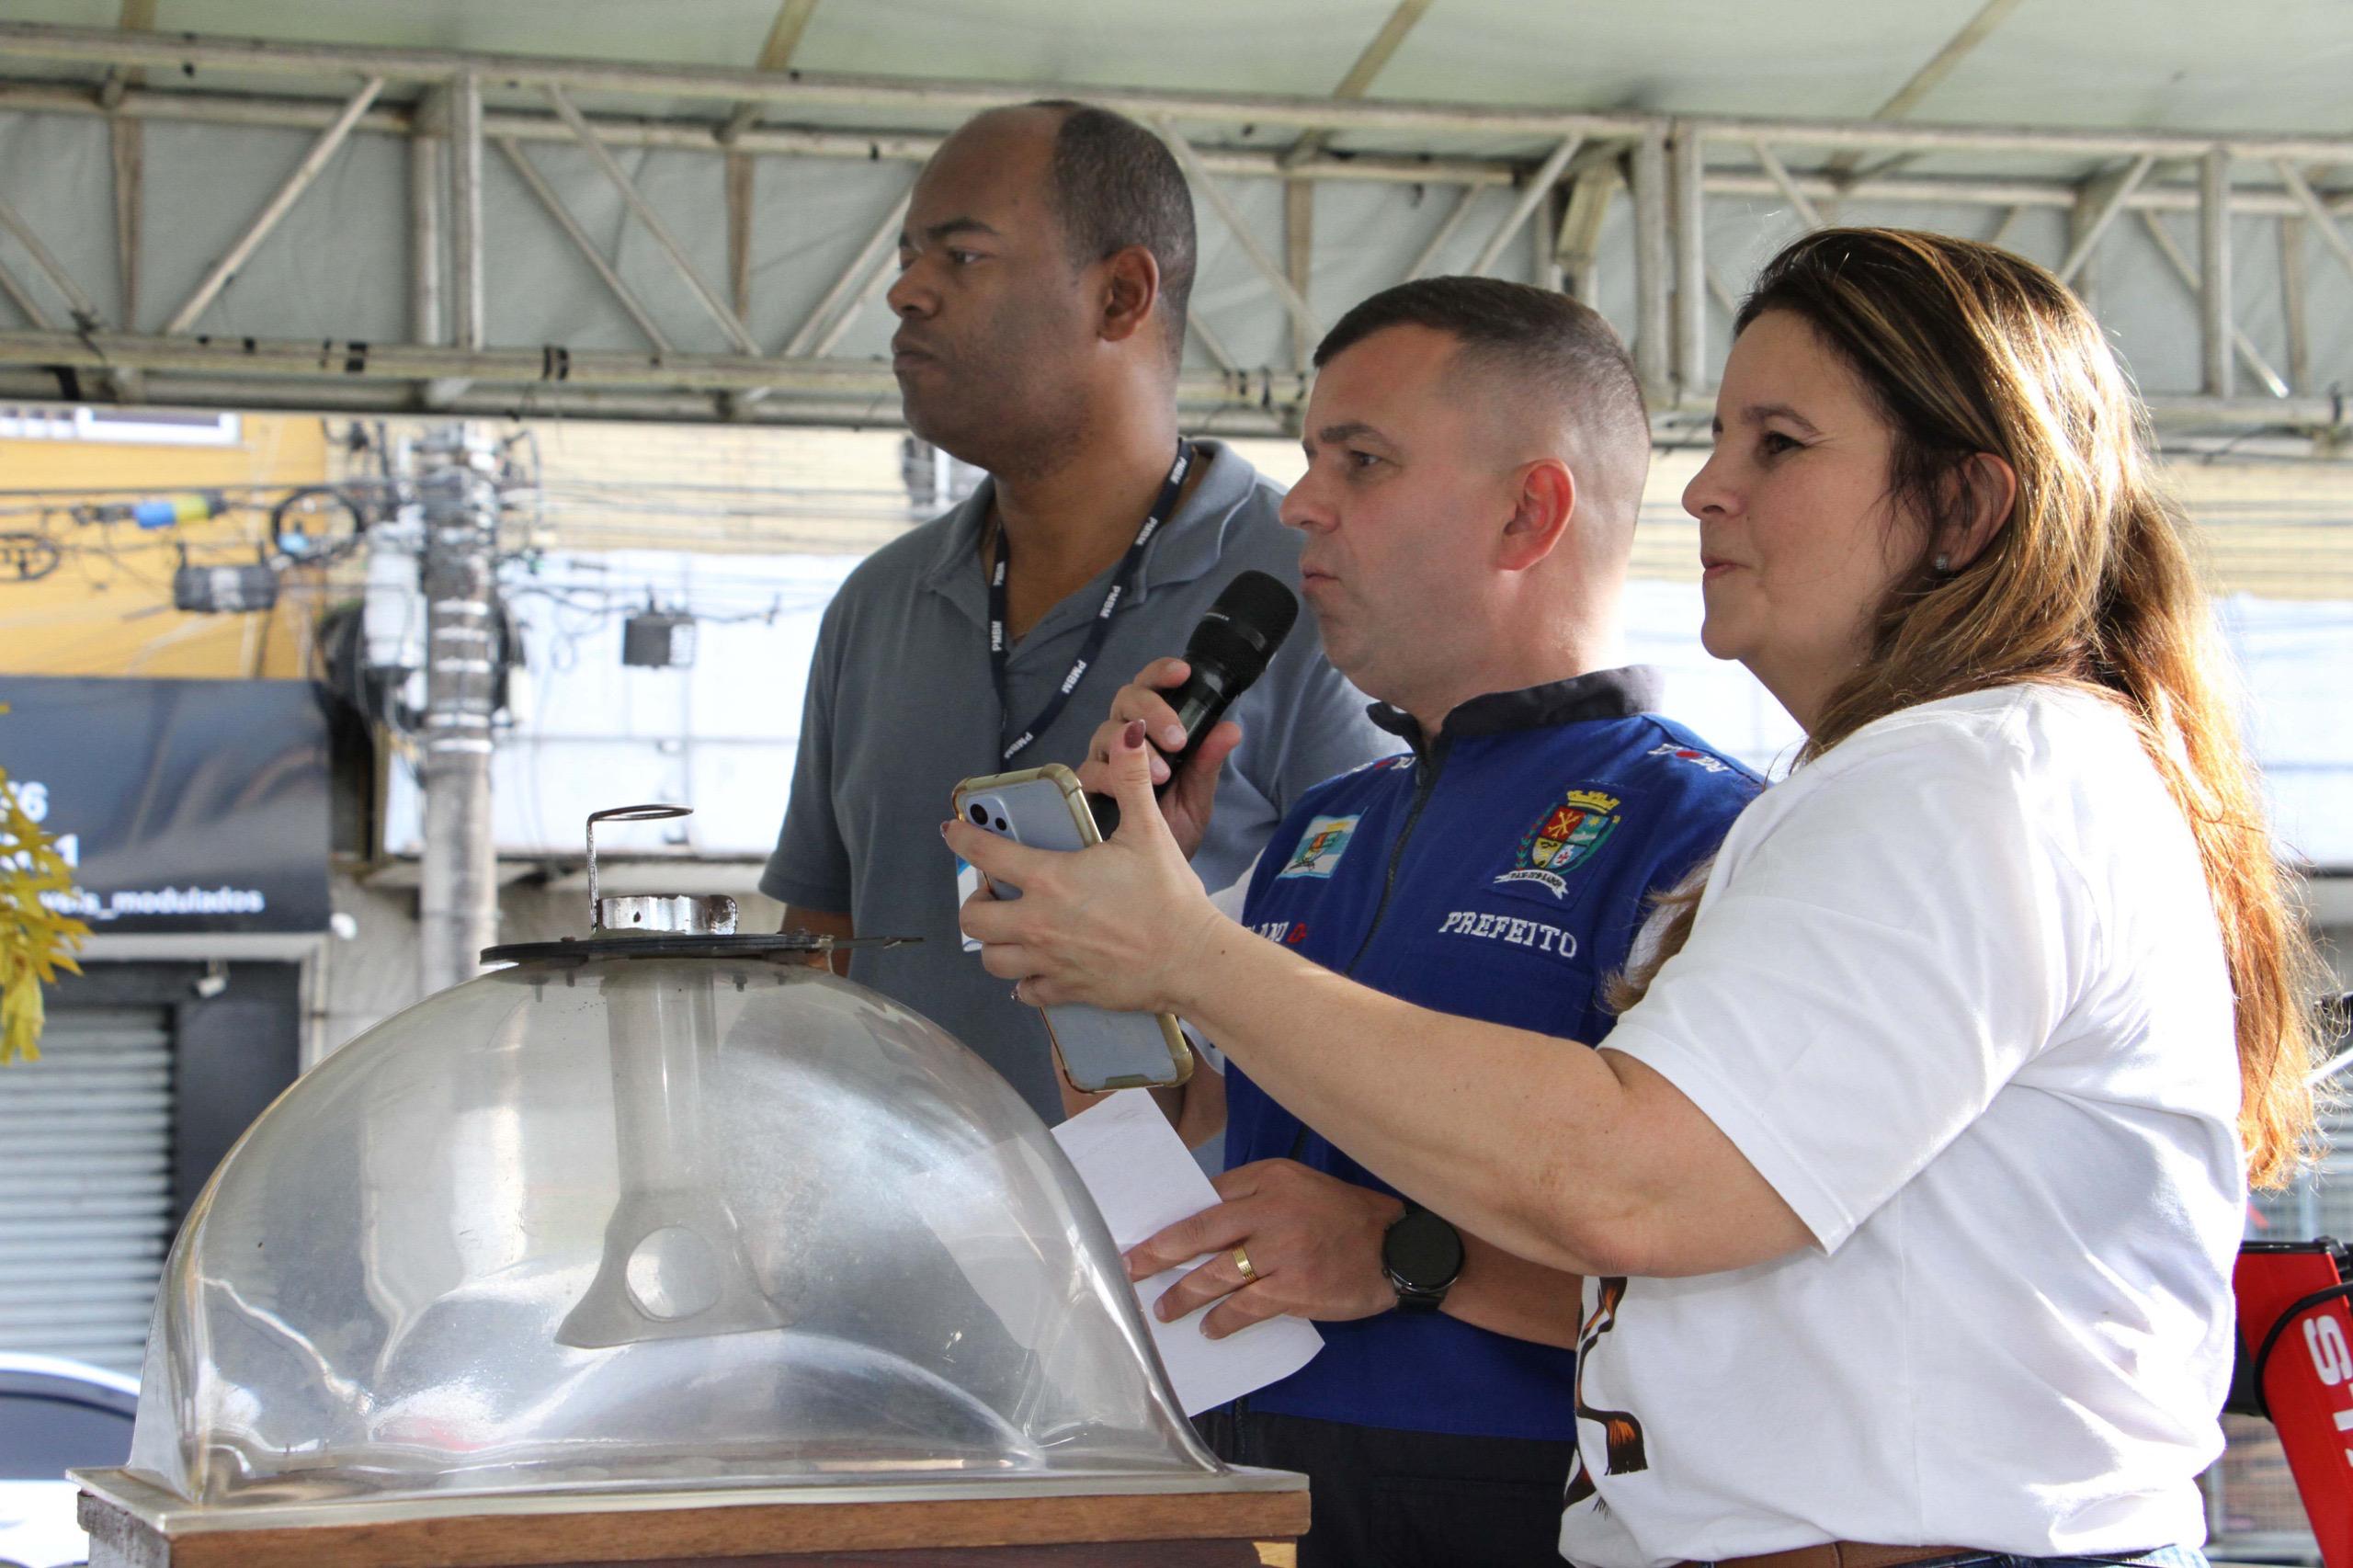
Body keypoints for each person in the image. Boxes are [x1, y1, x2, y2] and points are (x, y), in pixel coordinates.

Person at [950, 227, 2323, 1568]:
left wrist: (1199, 966)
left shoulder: (1963, 777)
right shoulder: (1910, 784)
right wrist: (1130, 953)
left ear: (1963, 506)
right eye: (1722, 438)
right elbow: (1206, 1131)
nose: (1705, 489)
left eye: (1779, 446)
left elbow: (1631, 1180)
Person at [1049, 277, 1761, 1567]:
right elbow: (1167, 1135)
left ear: (1527, 510)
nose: (1298, 504)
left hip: (1549, 1502)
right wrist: (1104, 924)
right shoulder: (1324, 826)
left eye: (1360, 461)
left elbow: (1743, 1279)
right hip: (1261, 1486)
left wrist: (1413, 1257)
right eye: (1311, 457)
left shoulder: (1704, 834)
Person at [762, 99, 1390, 1123]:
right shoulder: (877, 605)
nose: (905, 291)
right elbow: (821, 941)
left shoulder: (1313, 587)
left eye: (961, 257)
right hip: (895, 1254)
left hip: (1190, 1263)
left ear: (1120, 294)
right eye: (909, 254)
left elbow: (1385, 974)